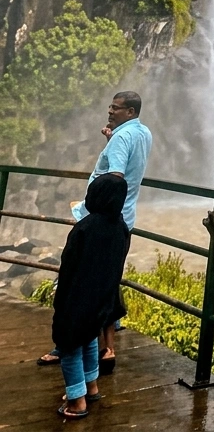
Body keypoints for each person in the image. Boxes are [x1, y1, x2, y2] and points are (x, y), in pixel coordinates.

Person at [38, 91, 152, 373]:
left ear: (130, 111)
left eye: (117, 108)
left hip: (102, 221)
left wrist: (93, 209)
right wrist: (111, 140)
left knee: (80, 287)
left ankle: (68, 348)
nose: (110, 111)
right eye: (111, 106)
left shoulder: (122, 139)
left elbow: (115, 179)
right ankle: (107, 348)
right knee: (106, 283)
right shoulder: (143, 133)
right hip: (124, 221)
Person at [53, 173, 130, 419]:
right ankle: (91, 387)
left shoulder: (84, 228)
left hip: (77, 298)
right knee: (89, 339)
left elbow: (68, 268)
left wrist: (60, 297)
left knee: (69, 345)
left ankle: (77, 401)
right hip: (102, 299)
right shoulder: (121, 227)